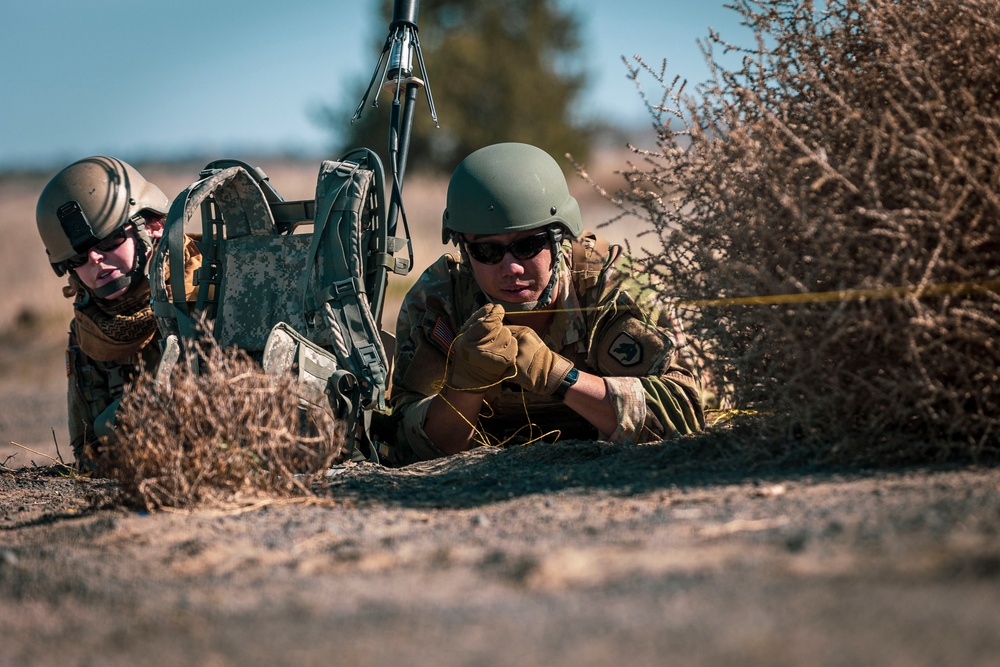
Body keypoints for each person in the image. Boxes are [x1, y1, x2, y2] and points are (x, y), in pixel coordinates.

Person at [389, 142, 707, 463]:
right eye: (487, 251)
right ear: (464, 248)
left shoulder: (608, 284)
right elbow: (405, 444)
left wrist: (558, 377)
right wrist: (464, 386)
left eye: (528, 245)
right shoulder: (440, 298)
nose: (511, 267)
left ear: (559, 239)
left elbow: (685, 414)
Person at [35, 156, 200, 469]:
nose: (95, 259)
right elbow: (90, 452)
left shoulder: (211, 288)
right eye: (77, 258)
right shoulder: (92, 328)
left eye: (111, 241)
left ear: (154, 225)